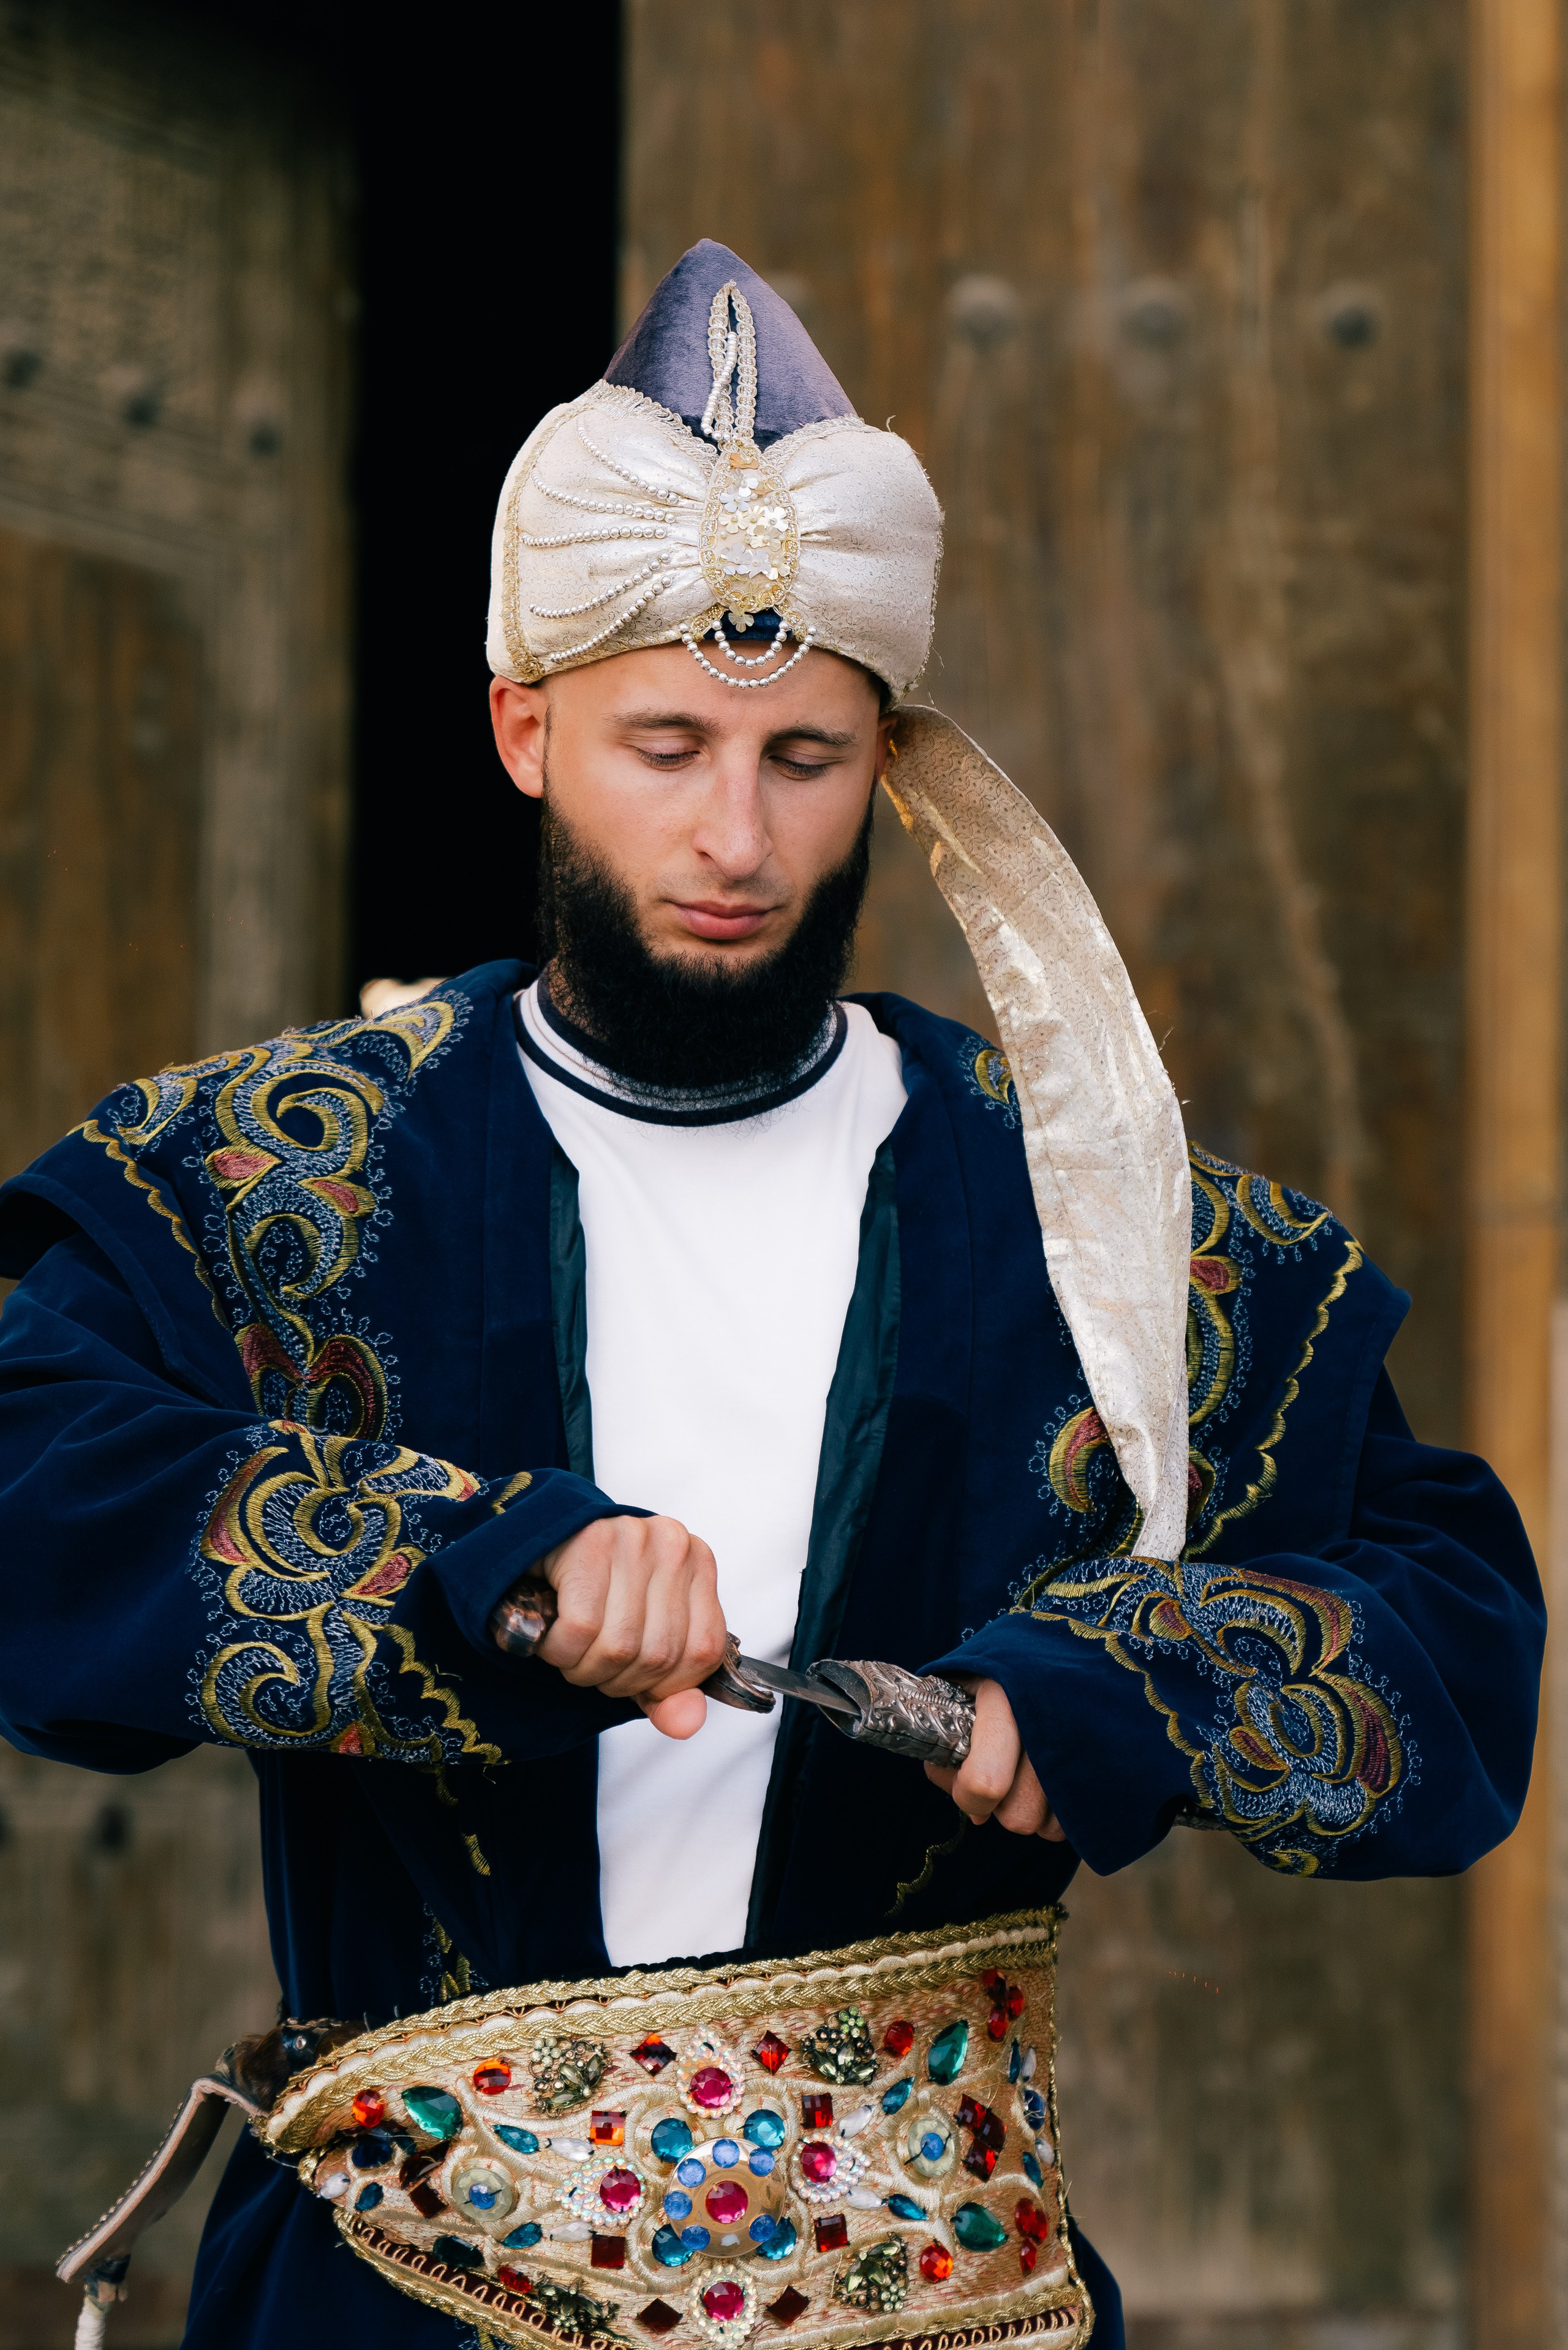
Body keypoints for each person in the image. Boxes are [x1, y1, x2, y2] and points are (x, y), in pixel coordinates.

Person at [0, 242, 1542, 2350]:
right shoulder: (288, 1178)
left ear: (886, 755)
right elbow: (25, 1468)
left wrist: (1125, 1691)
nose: (733, 834)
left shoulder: (1081, 1211)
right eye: (663, 746)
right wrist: (474, 1560)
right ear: (523, 729)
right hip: (400, 2303)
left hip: (943, 2317)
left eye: (803, 758)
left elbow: (1453, 1616)